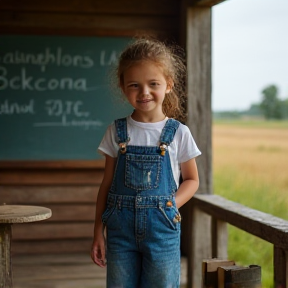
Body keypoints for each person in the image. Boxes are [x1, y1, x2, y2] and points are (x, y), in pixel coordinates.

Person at [91, 37, 201, 288]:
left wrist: (173, 204)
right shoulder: (116, 131)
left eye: (153, 84)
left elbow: (192, 180)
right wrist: (98, 231)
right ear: (122, 86)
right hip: (120, 234)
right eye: (134, 85)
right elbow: (106, 185)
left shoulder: (179, 132)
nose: (144, 92)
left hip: (162, 230)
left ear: (169, 85)